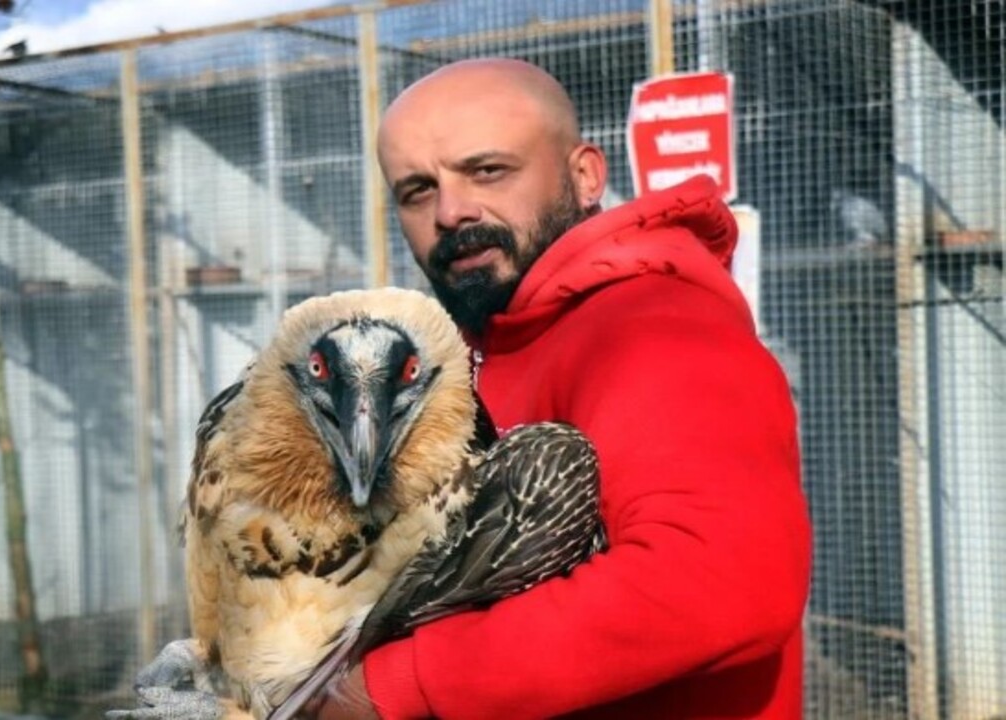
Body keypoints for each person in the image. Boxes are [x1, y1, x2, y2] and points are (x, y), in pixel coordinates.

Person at [310, 58, 811, 719]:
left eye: (488, 171)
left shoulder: (653, 326)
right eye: (417, 191)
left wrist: (405, 683)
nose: (453, 211)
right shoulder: (470, 348)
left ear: (584, 176)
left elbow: (720, 580)